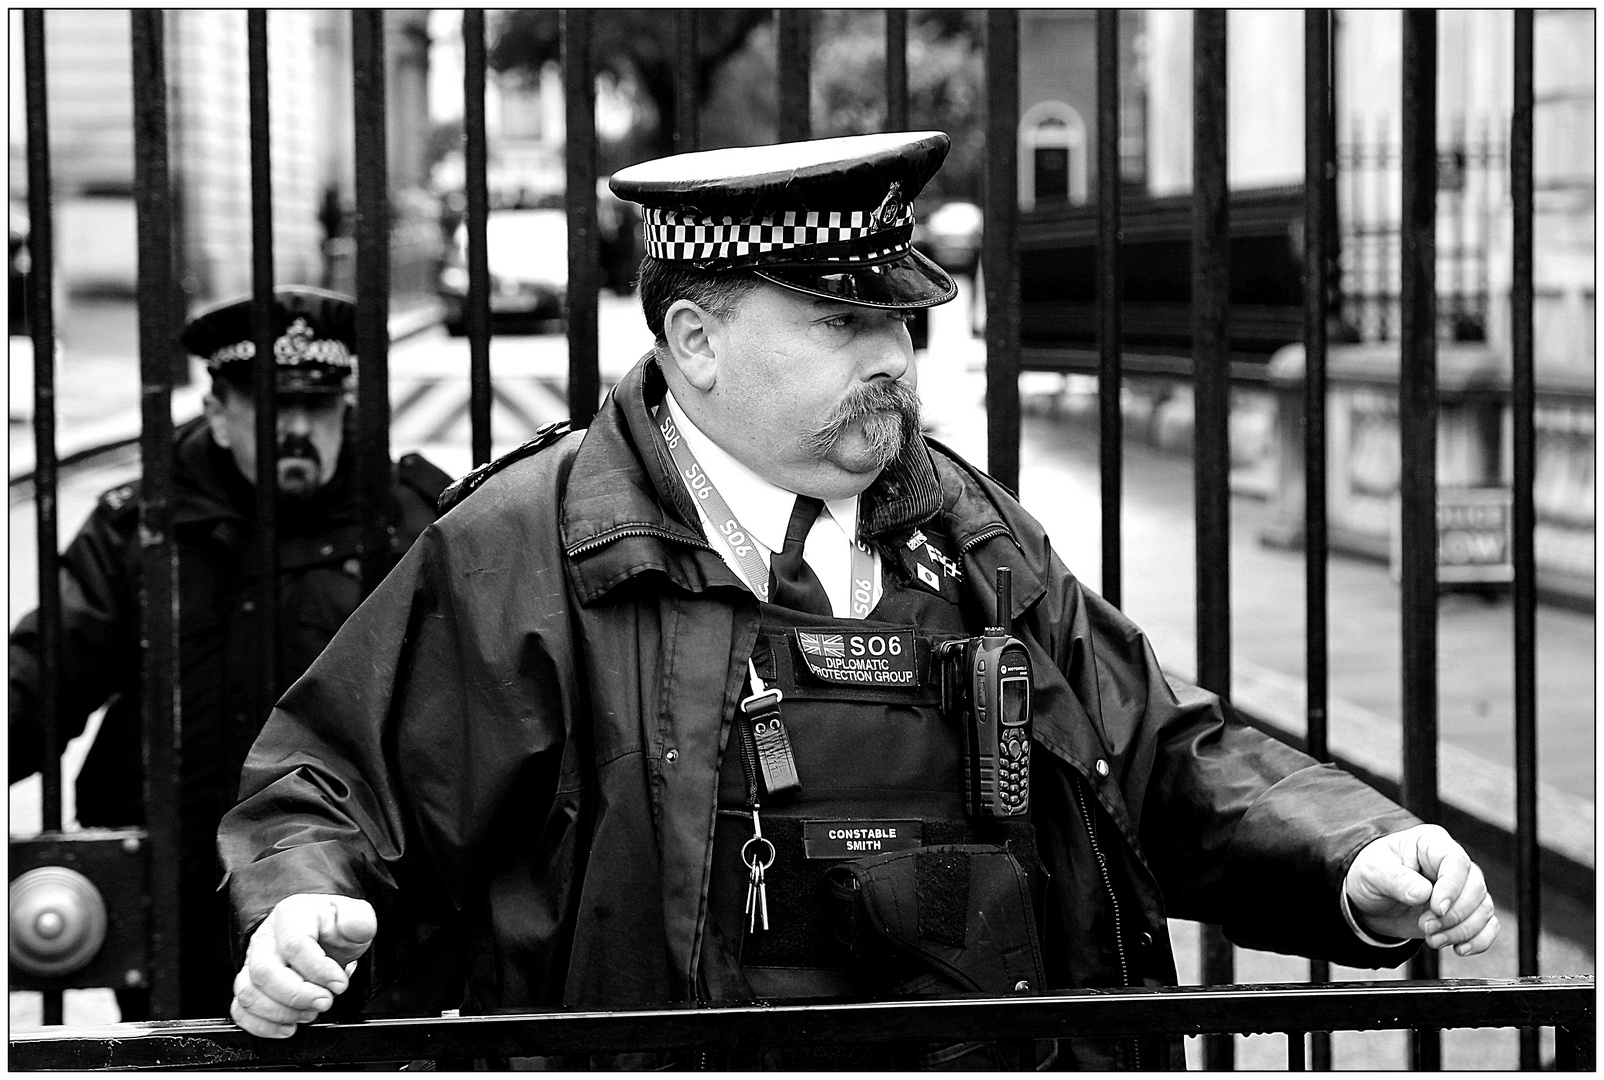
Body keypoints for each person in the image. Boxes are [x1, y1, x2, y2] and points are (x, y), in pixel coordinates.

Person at [219, 135, 1497, 1068]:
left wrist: (1349, 854)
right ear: (695, 342)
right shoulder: (522, 546)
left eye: (898, 323)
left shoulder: (970, 530)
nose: (891, 358)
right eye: (838, 323)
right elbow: (331, 783)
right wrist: (300, 902)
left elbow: (1155, 758)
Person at [9, 286, 450, 1020]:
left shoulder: (409, 523)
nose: (300, 429)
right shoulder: (144, 527)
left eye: (319, 407)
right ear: (216, 412)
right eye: (273, 408)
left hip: (352, 906)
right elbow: (43, 676)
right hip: (174, 904)